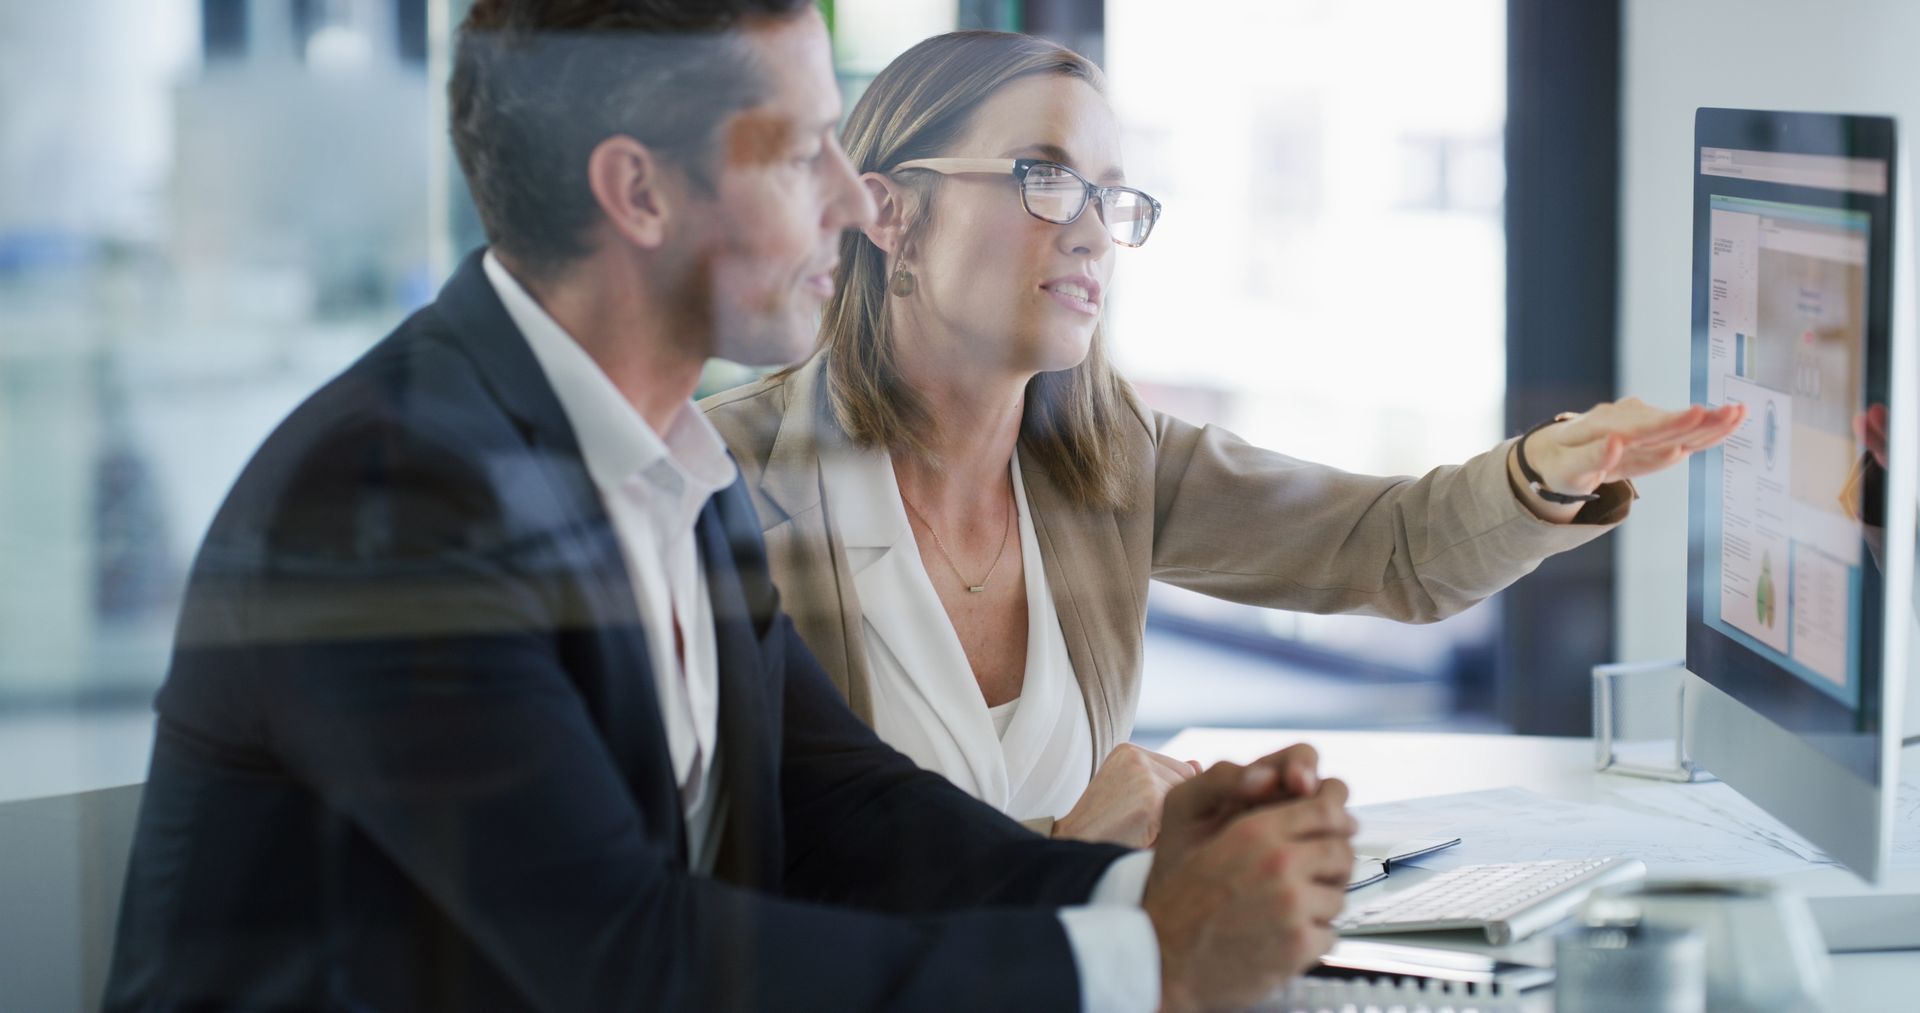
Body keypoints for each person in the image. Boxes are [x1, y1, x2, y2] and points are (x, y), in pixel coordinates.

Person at [103, 3, 1358, 1011]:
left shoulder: (672, 463)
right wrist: (1154, 964)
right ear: (639, 193)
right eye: (802, 150)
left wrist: (1143, 880)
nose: (859, 201)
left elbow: (844, 809)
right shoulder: (388, 496)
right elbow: (621, 954)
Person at [701, 30, 1744, 849]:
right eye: (1043, 175)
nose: (1092, 228)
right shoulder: (725, 480)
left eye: (1112, 196)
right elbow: (739, 859)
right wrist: (1068, 846)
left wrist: (1542, 473)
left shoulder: (1111, 460)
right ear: (890, 215)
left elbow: (1391, 549)